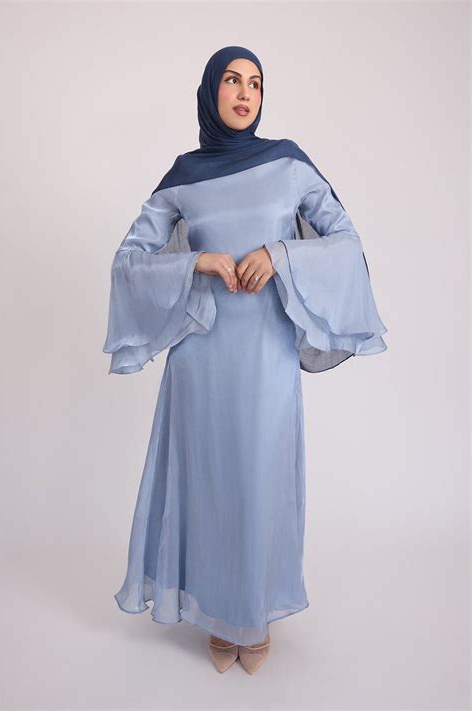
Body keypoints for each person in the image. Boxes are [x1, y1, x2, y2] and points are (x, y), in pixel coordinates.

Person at [102, 45, 388, 675]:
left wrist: (280, 254)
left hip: (265, 353)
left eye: (255, 83)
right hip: (201, 358)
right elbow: (129, 262)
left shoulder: (288, 164)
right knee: (208, 480)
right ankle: (217, 613)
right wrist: (194, 262)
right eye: (232, 80)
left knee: (260, 477)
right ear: (211, 91)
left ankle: (252, 613)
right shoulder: (184, 175)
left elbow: (346, 243)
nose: (244, 93)